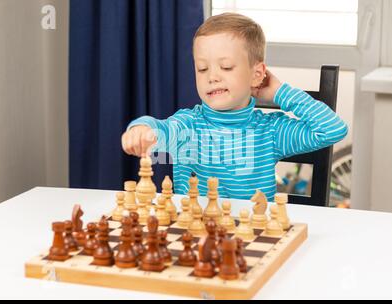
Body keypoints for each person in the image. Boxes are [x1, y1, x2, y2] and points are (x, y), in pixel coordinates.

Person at [121, 13, 348, 201]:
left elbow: (332, 129)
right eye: (202, 69)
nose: (212, 77)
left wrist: (279, 93)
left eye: (226, 67)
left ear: (257, 74)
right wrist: (140, 129)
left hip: (251, 239)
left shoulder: (271, 131)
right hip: (193, 238)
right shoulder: (187, 125)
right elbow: (158, 128)